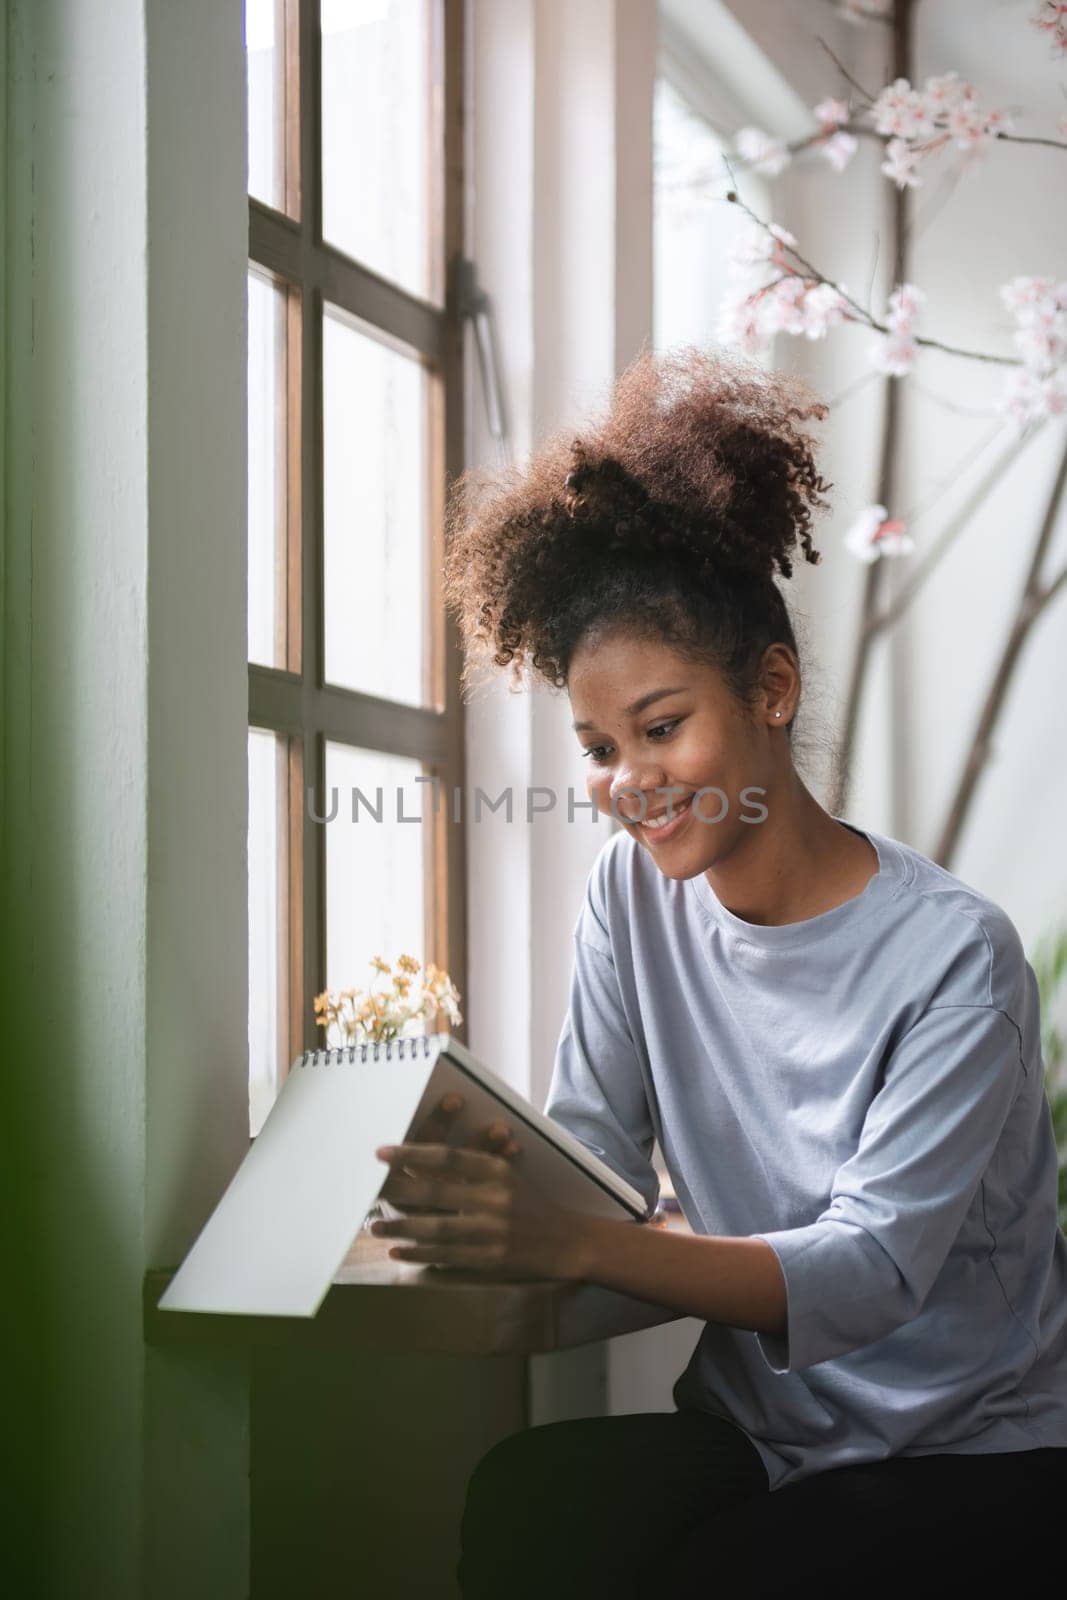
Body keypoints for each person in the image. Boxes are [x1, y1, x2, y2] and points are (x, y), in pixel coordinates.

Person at [371, 348, 1067, 1597]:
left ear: (770, 690)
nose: (626, 779)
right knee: (526, 1500)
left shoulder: (954, 955)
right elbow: (587, 1159)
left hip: (970, 1448)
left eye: (659, 724)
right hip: (757, 1431)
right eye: (594, 745)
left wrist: (575, 1247)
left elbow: (866, 1271)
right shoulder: (628, 897)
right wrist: (471, 1212)